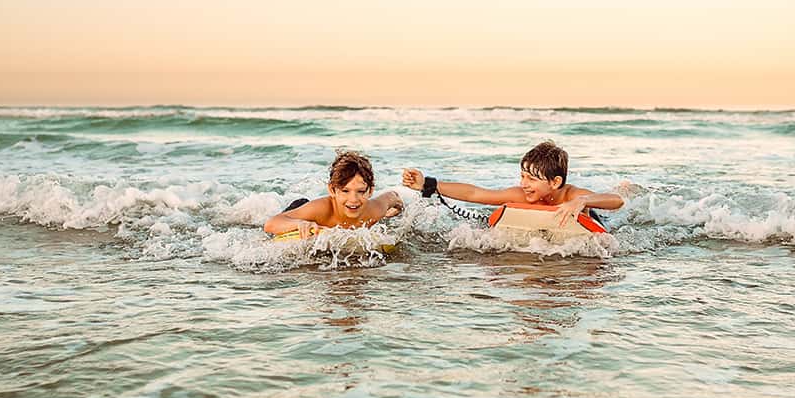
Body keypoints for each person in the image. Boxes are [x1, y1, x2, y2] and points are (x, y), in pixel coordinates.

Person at [401, 140, 623, 229]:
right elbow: (475, 193)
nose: (523, 184)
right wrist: (427, 184)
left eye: (532, 179)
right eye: (523, 176)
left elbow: (616, 201)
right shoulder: (521, 195)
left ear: (555, 182)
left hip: (594, 220)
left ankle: (626, 184)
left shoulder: (571, 195)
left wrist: (582, 201)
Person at [264, 150, 403, 239]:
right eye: (345, 191)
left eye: (361, 192)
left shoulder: (375, 209)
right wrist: (300, 223)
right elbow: (270, 224)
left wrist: (396, 211)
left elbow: (393, 196)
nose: (353, 200)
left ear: (370, 191)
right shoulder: (322, 209)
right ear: (332, 190)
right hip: (302, 213)